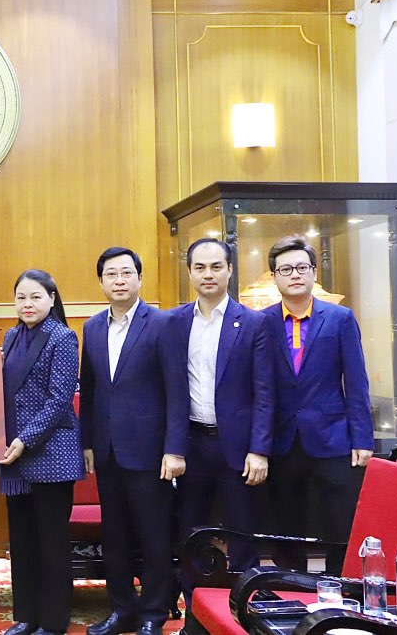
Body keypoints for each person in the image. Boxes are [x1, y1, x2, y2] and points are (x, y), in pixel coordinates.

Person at [79, 247, 189, 635]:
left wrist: (175, 448)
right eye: (111, 274)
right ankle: (121, 609)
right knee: (116, 538)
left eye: (127, 273)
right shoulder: (91, 327)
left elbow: (178, 391)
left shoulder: (162, 324)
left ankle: (153, 613)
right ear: (102, 282)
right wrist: (88, 443)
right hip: (107, 452)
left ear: (140, 279)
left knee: (155, 537)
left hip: (152, 453)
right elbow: (90, 390)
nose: (119, 280)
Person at [167, 238, 273, 605]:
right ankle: (197, 607)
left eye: (216, 266)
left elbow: (264, 392)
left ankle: (248, 607)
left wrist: (259, 450)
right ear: (190, 272)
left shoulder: (254, 323)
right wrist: (173, 446)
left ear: (229, 269)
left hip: (239, 447)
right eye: (200, 267)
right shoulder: (175, 322)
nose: (208, 274)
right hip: (191, 444)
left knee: (243, 532)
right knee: (191, 530)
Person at [262, 235, 373, 574]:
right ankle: (289, 586)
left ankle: (343, 589)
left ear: (313, 272)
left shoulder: (339, 318)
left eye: (301, 267)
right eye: (285, 269)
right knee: (285, 523)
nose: (294, 274)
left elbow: (356, 382)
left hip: (333, 438)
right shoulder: (262, 322)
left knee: (340, 521)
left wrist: (362, 438)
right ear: (274, 277)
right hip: (282, 440)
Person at [0, 269, 84, 635]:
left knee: (51, 543)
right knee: (22, 540)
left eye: (35, 297)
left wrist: (25, 440)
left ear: (51, 298)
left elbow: (58, 400)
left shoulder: (63, 338)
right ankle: (27, 616)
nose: (27, 304)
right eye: (21, 297)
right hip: (12, 457)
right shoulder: (11, 336)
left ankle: (52, 621)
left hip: (50, 453)